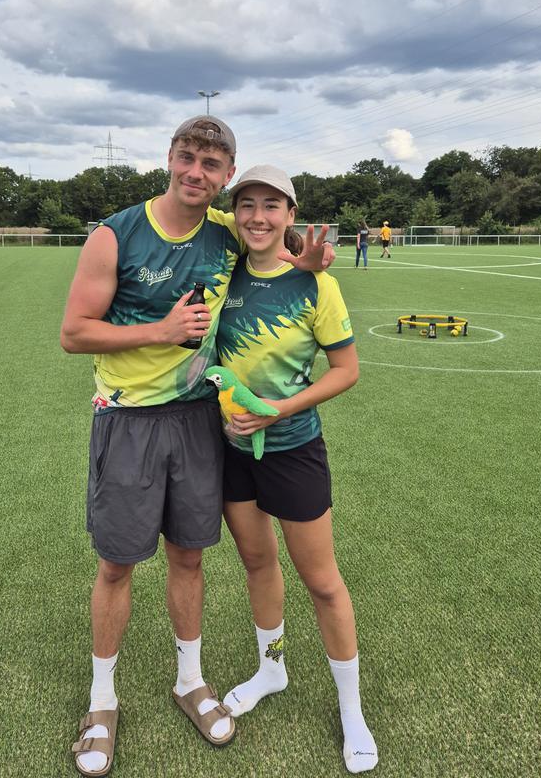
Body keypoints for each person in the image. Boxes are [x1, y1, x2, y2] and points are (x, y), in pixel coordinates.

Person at [60, 116, 334, 777]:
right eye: (187, 157)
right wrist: (158, 330)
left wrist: (303, 259)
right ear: (169, 157)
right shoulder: (115, 234)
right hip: (128, 419)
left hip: (198, 421)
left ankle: (190, 681)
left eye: (211, 165)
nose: (195, 172)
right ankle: (102, 702)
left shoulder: (225, 232)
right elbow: (74, 332)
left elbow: (272, 237)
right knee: (117, 565)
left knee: (189, 557)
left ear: (226, 174)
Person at [216, 164, 378, 774]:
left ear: (290, 214)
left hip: (294, 449)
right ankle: (271, 670)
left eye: (271, 205)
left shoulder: (318, 285)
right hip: (232, 452)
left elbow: (346, 371)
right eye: (247, 204)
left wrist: (280, 409)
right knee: (258, 563)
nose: (258, 216)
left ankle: (351, 709)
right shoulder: (223, 270)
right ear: (235, 212)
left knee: (322, 581)